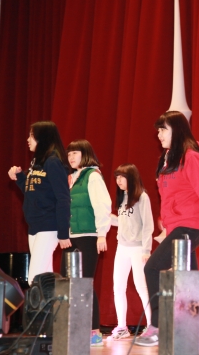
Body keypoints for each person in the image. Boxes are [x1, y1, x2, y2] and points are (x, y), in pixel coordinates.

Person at [135, 111, 199, 348]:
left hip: (191, 226)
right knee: (187, 282)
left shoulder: (191, 157)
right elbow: (170, 198)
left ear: (177, 130)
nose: (159, 134)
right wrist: (165, 226)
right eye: (158, 130)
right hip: (179, 227)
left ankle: (158, 326)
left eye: (163, 129)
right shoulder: (168, 160)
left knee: (152, 267)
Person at [61, 139, 112, 346]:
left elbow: (103, 205)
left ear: (86, 154)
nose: (71, 157)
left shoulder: (93, 176)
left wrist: (102, 234)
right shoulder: (71, 178)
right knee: (67, 283)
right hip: (71, 237)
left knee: (84, 284)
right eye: (69, 153)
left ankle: (94, 331)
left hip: (89, 236)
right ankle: (75, 328)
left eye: (75, 153)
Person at [8, 121, 71, 285]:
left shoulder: (53, 162)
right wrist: (19, 176)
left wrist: (63, 232)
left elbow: (63, 198)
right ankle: (49, 303)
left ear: (42, 138)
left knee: (35, 279)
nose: (28, 139)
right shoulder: (36, 163)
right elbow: (32, 192)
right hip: (34, 226)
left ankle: (41, 303)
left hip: (49, 226)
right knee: (44, 279)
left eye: (31, 135)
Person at [108, 163, 154, 341]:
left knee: (142, 287)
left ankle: (151, 326)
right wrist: (108, 218)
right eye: (117, 177)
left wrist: (146, 250)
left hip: (138, 248)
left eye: (122, 177)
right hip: (122, 247)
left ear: (131, 178)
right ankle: (122, 326)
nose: (118, 180)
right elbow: (123, 222)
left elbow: (148, 226)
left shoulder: (142, 197)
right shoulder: (123, 198)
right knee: (118, 287)